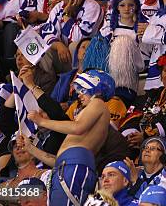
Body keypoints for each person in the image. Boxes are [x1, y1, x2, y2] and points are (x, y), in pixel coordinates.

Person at [26, 70, 115, 206]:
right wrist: (30, 149)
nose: (78, 94)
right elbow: (58, 161)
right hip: (66, 168)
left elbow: (78, 127)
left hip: (73, 168)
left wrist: (41, 121)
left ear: (95, 85)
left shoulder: (98, 102)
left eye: (81, 89)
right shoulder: (93, 113)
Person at [40, 0, 103, 71]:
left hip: (91, 55)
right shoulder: (57, 8)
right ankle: (49, 83)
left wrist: (66, 16)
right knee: (43, 48)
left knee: (74, 46)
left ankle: (77, 80)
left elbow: (78, 38)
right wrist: (58, 45)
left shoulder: (92, 6)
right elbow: (47, 33)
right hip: (65, 54)